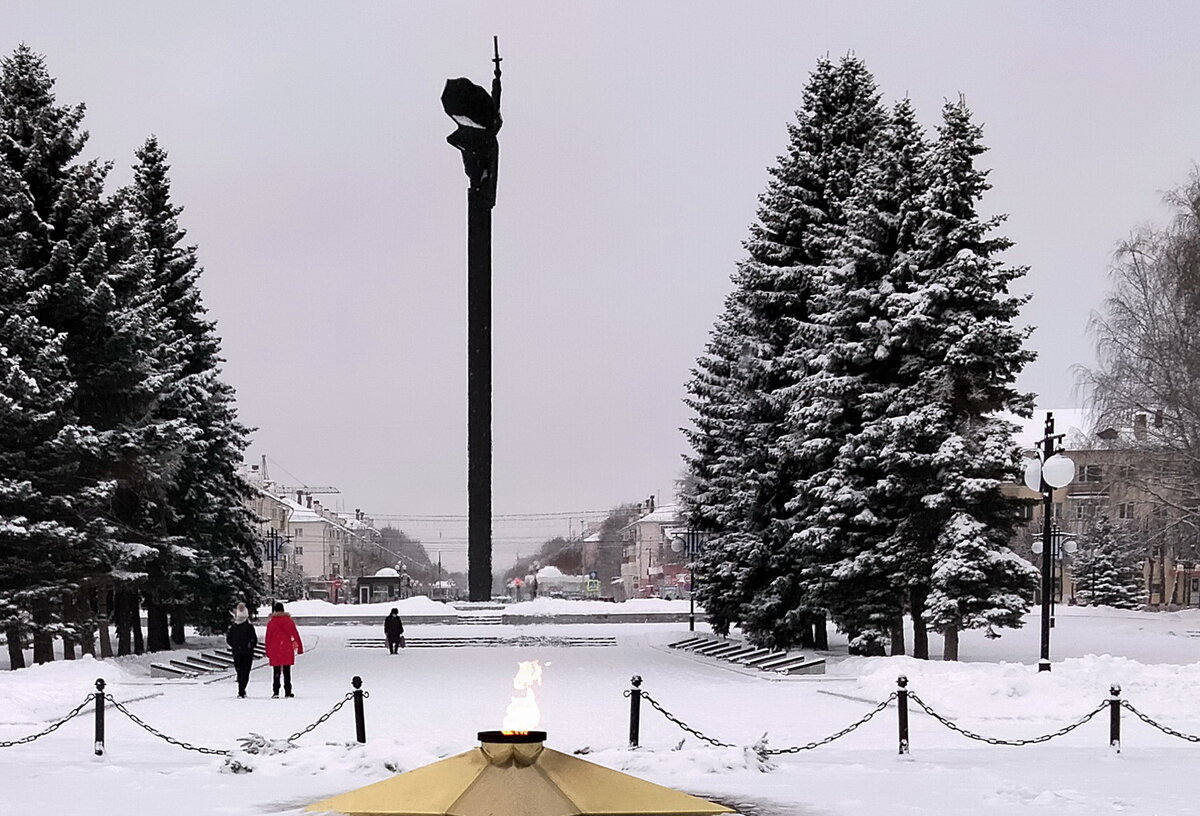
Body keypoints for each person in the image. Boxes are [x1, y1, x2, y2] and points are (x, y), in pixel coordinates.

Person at [265, 601, 303, 698]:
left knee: (276, 670)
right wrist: (300, 648)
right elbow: (295, 634)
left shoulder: (271, 623)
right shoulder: (289, 621)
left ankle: (276, 691)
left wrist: (267, 650)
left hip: (275, 648)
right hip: (286, 648)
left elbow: (268, 638)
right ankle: (288, 691)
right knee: (287, 671)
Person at [226, 602, 258, 698]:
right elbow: (254, 640)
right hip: (247, 652)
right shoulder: (249, 627)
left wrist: (235, 646)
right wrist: (250, 645)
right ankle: (242, 688)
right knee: (245, 671)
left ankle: (241, 688)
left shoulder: (233, 627)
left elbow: (229, 639)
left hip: (237, 651)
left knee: (239, 670)